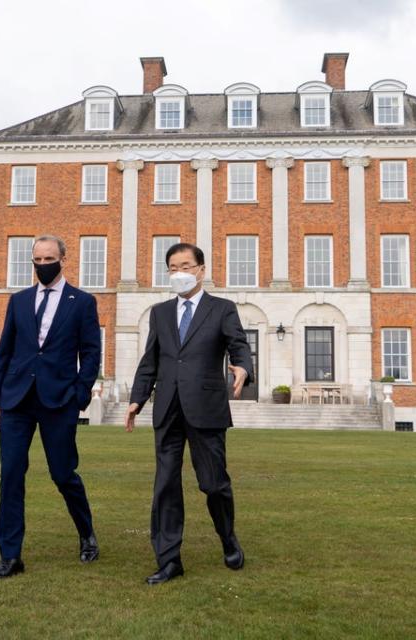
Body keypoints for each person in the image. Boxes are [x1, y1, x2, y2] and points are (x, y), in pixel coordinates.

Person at [125, 242, 254, 585]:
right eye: (172, 268)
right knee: (165, 485)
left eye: (185, 266)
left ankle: (228, 538)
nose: (178, 273)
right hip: (167, 407)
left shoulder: (222, 309)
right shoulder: (160, 313)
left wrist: (241, 367)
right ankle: (169, 561)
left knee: (213, 484)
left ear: (201, 269)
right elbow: (150, 359)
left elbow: (238, 343)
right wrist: (137, 398)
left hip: (206, 408)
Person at [0, 235, 101, 579]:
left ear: (63, 259)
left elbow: (91, 352)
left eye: (49, 258)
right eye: (37, 259)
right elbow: (3, 351)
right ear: (32, 261)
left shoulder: (82, 302)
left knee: (63, 474)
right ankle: (10, 556)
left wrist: (79, 393)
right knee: (10, 475)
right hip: (16, 400)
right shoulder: (18, 301)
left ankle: (86, 534)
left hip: (58, 400)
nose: (43, 264)